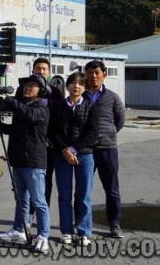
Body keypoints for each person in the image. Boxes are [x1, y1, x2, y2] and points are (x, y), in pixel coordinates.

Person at [0, 74, 51, 255]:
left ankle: (43, 235)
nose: (28, 87)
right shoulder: (23, 107)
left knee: (39, 201)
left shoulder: (41, 108)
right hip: (17, 160)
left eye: (33, 85)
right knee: (21, 199)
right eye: (26, 84)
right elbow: (16, 129)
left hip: (33, 162)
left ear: (40, 90)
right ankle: (19, 229)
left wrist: (8, 100)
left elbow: (30, 116)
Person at [49, 72, 98, 247]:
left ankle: (84, 231)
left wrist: (74, 149)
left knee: (84, 195)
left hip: (84, 155)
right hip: (62, 156)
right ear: (67, 86)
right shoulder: (57, 106)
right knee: (64, 195)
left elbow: (93, 132)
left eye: (80, 84)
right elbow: (53, 131)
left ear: (84, 88)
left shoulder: (91, 106)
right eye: (73, 83)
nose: (76, 86)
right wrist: (65, 150)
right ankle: (67, 231)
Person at [83, 60, 125, 239]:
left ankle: (114, 224)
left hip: (108, 148)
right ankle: (82, 224)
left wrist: (108, 134)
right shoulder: (80, 95)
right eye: (90, 73)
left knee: (112, 189)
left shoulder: (113, 97)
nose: (93, 76)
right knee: (83, 189)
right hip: (86, 150)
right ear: (85, 75)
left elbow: (119, 121)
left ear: (103, 75)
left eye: (97, 73)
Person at [16, 57, 63, 208]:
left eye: (44, 69)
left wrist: (46, 103)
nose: (41, 71)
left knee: (45, 179)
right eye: (38, 69)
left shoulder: (55, 92)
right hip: (26, 140)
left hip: (48, 142)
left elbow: (59, 114)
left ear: (49, 72)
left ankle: (43, 210)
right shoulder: (22, 89)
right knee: (24, 182)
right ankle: (26, 216)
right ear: (33, 70)